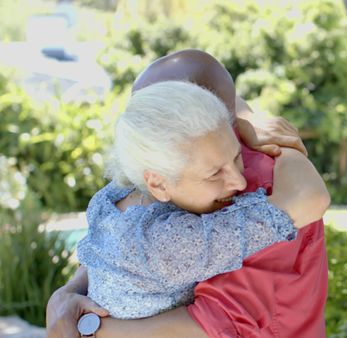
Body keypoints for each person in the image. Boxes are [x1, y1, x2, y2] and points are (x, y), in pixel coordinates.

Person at [46, 49, 330, 337]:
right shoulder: (163, 204)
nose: (238, 182)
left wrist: (91, 330)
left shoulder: (115, 197)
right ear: (157, 181)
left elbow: (222, 323)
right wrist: (68, 296)